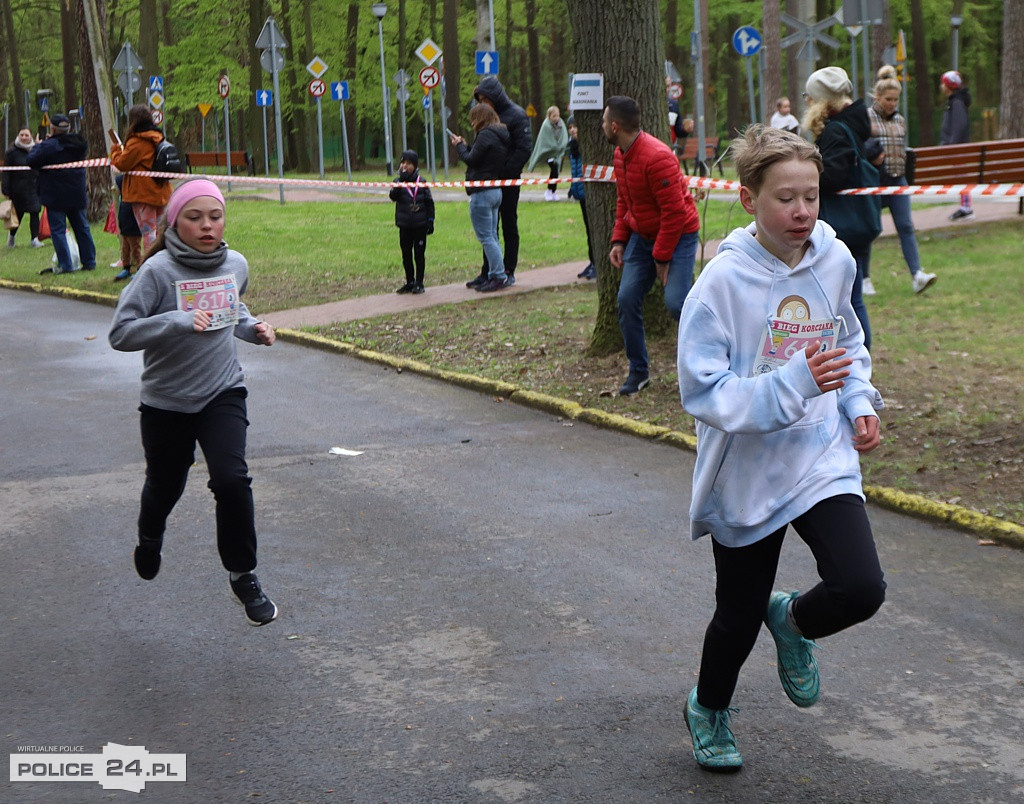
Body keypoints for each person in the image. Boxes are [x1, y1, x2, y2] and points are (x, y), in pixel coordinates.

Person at [676, 124, 886, 772]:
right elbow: (702, 391)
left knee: (860, 587)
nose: (801, 212)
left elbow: (846, 341)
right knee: (736, 619)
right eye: (785, 199)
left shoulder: (835, 257)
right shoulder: (721, 283)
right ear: (748, 200)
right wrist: (795, 381)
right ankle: (709, 708)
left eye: (812, 197)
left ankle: (794, 621)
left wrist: (856, 402)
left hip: (820, 453)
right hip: (749, 468)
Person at [108, 179, 280, 627]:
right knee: (166, 486)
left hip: (222, 392)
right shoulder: (158, 272)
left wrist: (254, 328)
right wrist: (177, 322)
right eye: (194, 217)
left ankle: (243, 573)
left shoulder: (236, 264)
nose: (207, 226)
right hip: (166, 401)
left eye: (215, 216)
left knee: (232, 479)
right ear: (174, 220)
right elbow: (121, 333)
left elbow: (231, 313)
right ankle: (149, 537)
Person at [602, 95, 700, 395]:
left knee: (678, 304)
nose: (602, 125)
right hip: (642, 238)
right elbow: (624, 201)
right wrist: (619, 239)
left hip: (678, 235)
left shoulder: (657, 157)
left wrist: (661, 257)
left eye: (604, 121)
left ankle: (704, 367)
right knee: (627, 298)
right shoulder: (621, 154)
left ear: (615, 126)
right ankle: (639, 371)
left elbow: (675, 213)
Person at [802, 66, 881, 348]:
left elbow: (835, 175)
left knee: (848, 299)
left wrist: (805, 177)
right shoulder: (852, 124)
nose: (806, 102)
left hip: (843, 225)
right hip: (856, 221)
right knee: (851, 296)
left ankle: (860, 357)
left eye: (809, 97)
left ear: (822, 100)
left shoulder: (836, 130)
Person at [867, 66, 938, 295]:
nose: (892, 103)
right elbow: (861, 147)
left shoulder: (900, 120)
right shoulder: (866, 118)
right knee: (869, 229)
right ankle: (864, 278)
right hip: (873, 182)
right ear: (877, 97)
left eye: (895, 99)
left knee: (906, 227)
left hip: (898, 180)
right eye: (888, 99)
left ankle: (917, 275)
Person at [466, 78, 532, 288]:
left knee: (509, 224)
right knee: (489, 229)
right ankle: (488, 270)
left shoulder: (517, 115)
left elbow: (523, 150)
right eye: (481, 100)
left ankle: (508, 268)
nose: (483, 103)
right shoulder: (487, 117)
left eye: (486, 99)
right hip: (489, 180)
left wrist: (504, 172)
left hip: (508, 179)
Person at [451, 104, 512, 293]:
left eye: (474, 118)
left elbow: (471, 160)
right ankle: (496, 273)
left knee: (486, 237)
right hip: (495, 190)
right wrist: (467, 146)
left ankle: (499, 276)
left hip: (482, 192)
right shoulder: (501, 135)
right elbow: (480, 157)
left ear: (482, 118)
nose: (472, 122)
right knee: (492, 236)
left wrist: (459, 146)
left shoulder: (486, 135)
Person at [108, 105, 174, 279]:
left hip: (142, 194)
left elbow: (122, 163)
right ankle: (165, 265)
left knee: (148, 233)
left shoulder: (137, 141)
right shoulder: (157, 137)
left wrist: (115, 150)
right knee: (161, 231)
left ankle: (151, 270)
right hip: (161, 191)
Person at [26, 113, 97, 274]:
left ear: (52, 128)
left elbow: (31, 161)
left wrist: (38, 145)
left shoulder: (48, 146)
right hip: (76, 192)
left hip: (55, 195)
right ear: (69, 128)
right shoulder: (80, 143)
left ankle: (66, 265)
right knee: (82, 227)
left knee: (58, 230)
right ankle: (90, 261)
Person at [388, 149, 434, 294]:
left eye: (408, 163)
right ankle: (410, 281)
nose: (405, 166)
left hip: (419, 225)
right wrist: (400, 182)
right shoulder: (397, 182)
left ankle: (419, 282)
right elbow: (393, 196)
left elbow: (429, 202)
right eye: (403, 163)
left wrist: (430, 220)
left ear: (414, 165)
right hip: (404, 224)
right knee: (406, 254)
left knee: (419, 254)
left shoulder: (422, 182)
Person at [940, 70, 974, 221]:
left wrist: (952, 145)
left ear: (948, 86)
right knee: (960, 176)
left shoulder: (956, 102)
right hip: (957, 146)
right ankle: (965, 206)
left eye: (943, 83)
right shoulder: (956, 100)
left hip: (957, 147)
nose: (941, 87)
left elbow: (959, 125)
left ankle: (966, 208)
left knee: (961, 177)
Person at [2, 127, 44, 249]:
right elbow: (6, 172)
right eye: (22, 135)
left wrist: (38, 147)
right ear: (18, 135)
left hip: (33, 187)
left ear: (31, 136)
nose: (24, 137)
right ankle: (11, 238)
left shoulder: (35, 150)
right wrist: (6, 189)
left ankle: (34, 239)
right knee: (18, 215)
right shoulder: (11, 152)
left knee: (35, 212)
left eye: (26, 135)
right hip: (17, 189)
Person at [567, 117, 596, 280]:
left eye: (575, 126)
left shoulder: (588, 147)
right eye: (570, 127)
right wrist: (573, 188)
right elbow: (575, 171)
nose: (572, 130)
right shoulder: (572, 148)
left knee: (594, 230)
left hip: (589, 194)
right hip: (580, 194)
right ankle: (592, 261)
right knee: (588, 230)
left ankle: (597, 263)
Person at [527, 105, 569, 201]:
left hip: (558, 153)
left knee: (556, 172)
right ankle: (549, 191)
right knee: (554, 168)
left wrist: (560, 147)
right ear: (549, 116)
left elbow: (564, 137)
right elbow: (546, 140)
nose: (556, 118)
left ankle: (553, 191)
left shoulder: (561, 124)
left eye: (557, 115)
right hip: (548, 153)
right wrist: (554, 147)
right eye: (554, 116)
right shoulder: (546, 125)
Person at [112, 172, 143, 281]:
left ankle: (141, 269)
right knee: (125, 249)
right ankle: (126, 268)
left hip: (133, 228)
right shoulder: (123, 201)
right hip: (124, 227)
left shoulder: (134, 200)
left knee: (135, 249)